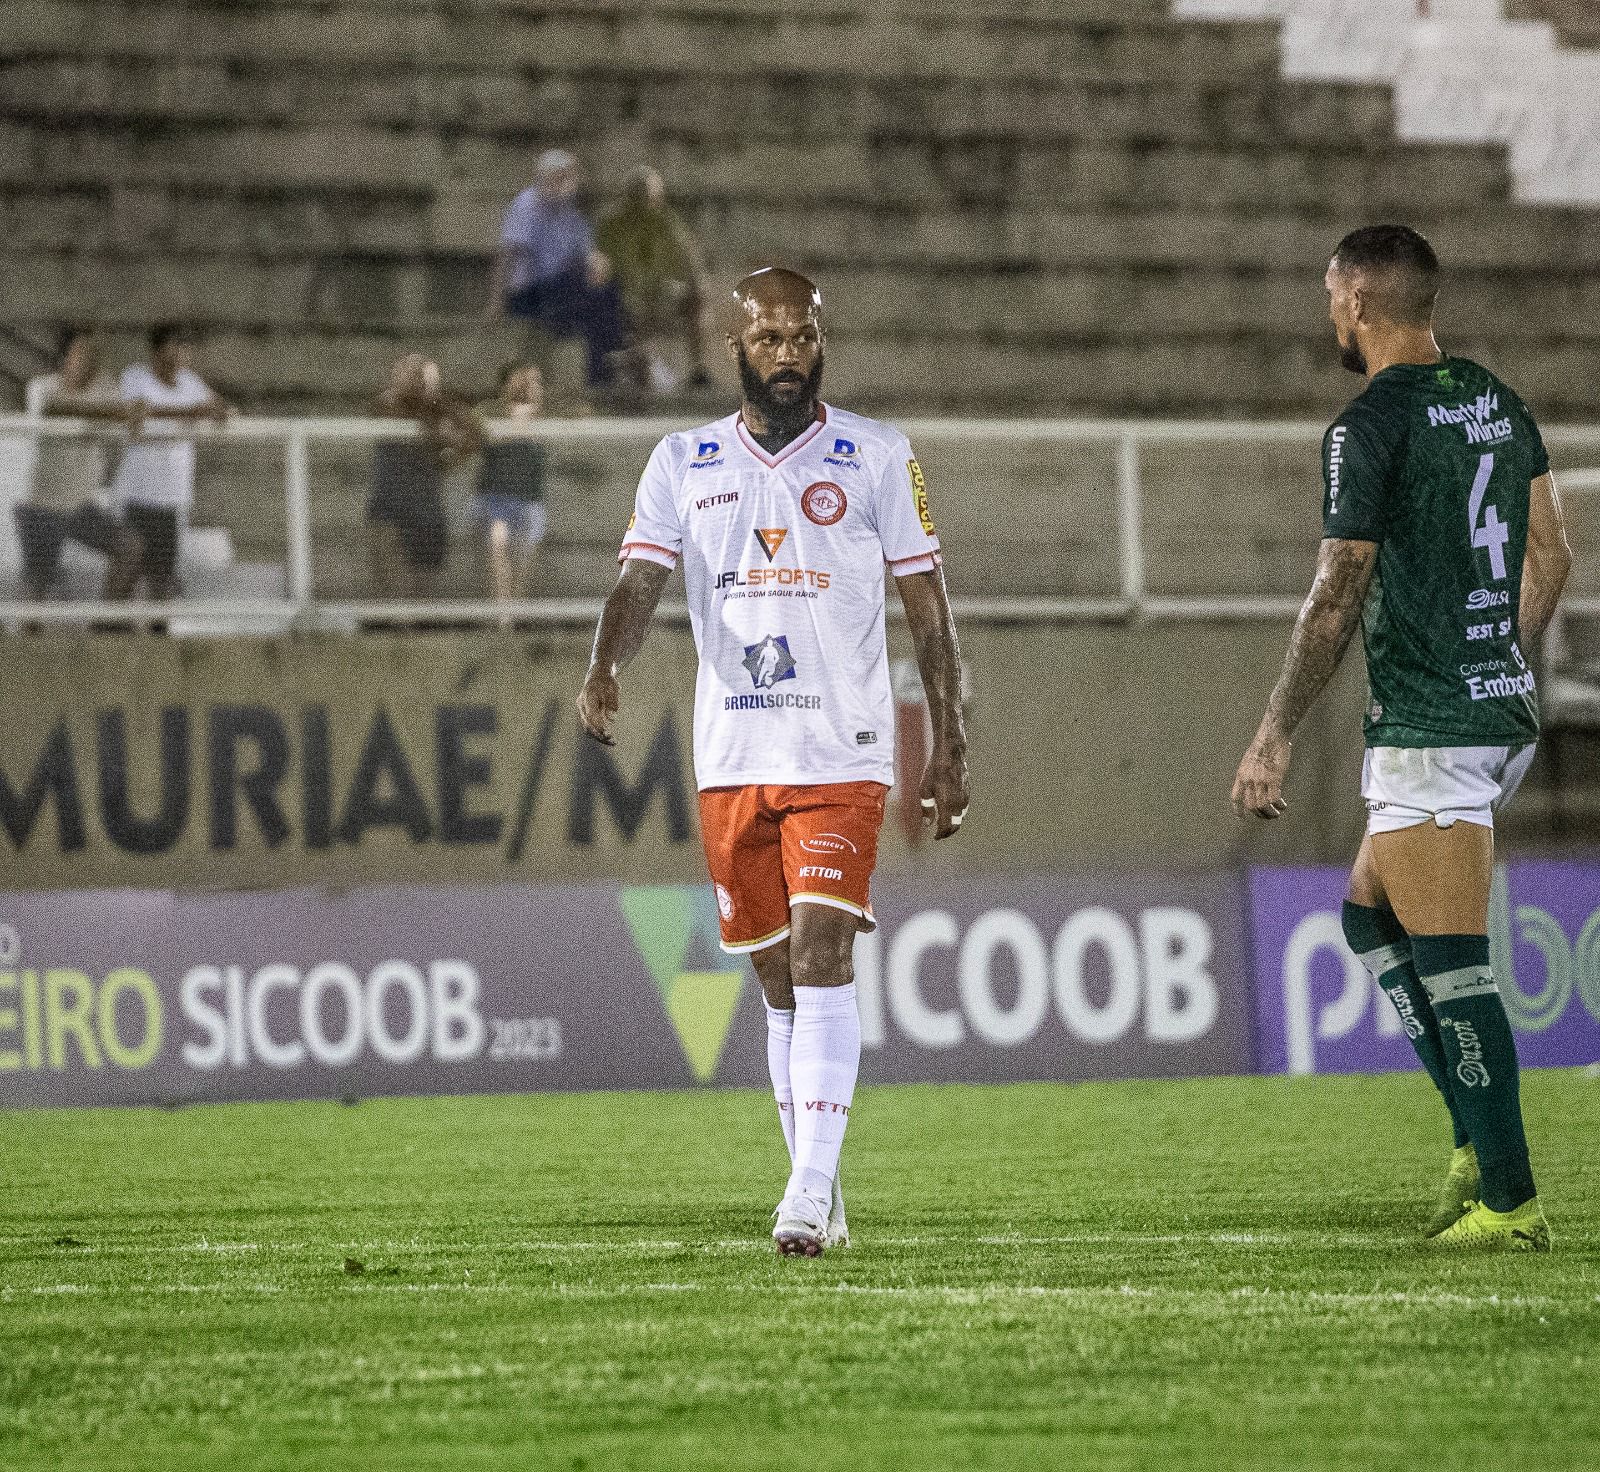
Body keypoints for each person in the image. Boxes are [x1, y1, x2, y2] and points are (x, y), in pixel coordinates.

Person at [577, 267, 969, 1256]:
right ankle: (820, 1187)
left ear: (821, 342)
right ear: (735, 348)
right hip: (732, 756)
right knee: (777, 980)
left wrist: (949, 737)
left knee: (821, 951)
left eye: (802, 336)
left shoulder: (881, 455)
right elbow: (638, 577)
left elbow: (928, 606)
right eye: (768, 338)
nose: (787, 351)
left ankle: (801, 1192)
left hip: (842, 750)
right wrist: (603, 666)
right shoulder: (682, 459)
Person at [1232, 225, 1571, 1252]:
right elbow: (1551, 553)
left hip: (1430, 728)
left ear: (1361, 305)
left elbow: (1334, 597)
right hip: (1494, 711)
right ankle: (1472, 1140)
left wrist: (1272, 733)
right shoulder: (1495, 400)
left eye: (1332, 297)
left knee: (1457, 968)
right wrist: (1490, 650)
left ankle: (1508, 1199)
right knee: (1366, 914)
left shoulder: (1366, 426)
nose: (1329, 314)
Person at [487, 149, 630, 392]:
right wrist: (495, 301)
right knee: (592, 292)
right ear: (545, 177)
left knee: (606, 296)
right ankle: (603, 373)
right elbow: (508, 255)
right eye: (559, 176)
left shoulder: (570, 214)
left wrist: (599, 266)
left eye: (568, 177)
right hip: (529, 294)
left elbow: (589, 254)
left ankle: (601, 376)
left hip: (560, 292)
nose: (565, 183)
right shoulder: (527, 204)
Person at [17, 327, 143, 601]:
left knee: (130, 547)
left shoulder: (104, 390)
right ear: (64, 358)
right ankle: (22, 638)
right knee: (38, 588)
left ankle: (106, 625)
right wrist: (116, 412)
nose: (86, 361)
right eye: (79, 353)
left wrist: (126, 412)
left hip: (79, 507)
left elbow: (133, 417)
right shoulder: (42, 387)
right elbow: (57, 408)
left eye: (90, 354)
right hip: (43, 506)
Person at [113, 323, 231, 599]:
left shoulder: (190, 381)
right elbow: (139, 416)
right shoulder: (136, 377)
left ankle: (158, 634)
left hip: (172, 495)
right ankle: (110, 630)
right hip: (138, 493)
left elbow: (216, 406)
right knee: (127, 567)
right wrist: (191, 412)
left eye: (185, 345)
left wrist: (218, 409)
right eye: (176, 344)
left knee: (163, 573)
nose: (182, 351)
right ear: (157, 349)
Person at [367, 353, 480, 599]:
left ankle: (417, 626)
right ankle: (399, 627)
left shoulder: (442, 407)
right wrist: (439, 431)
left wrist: (448, 455)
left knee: (424, 581)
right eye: (423, 379)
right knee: (393, 581)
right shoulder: (389, 403)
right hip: (389, 507)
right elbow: (395, 410)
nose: (430, 386)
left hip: (426, 509)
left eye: (432, 380)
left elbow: (473, 435)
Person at [595, 165, 712, 389]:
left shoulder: (667, 223)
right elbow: (600, 264)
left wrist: (697, 286)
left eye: (650, 196)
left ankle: (698, 370)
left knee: (696, 302)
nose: (646, 202)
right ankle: (628, 372)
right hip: (625, 295)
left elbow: (690, 259)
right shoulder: (612, 225)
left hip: (661, 294)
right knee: (616, 305)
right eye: (639, 195)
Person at [472, 363, 549, 615]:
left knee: (522, 566)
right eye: (521, 381)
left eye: (534, 381)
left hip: (529, 501)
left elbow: (582, 412)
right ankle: (499, 621)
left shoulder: (546, 415)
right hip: (493, 499)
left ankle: (512, 623)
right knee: (497, 553)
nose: (527, 387)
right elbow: (480, 431)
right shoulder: (488, 411)